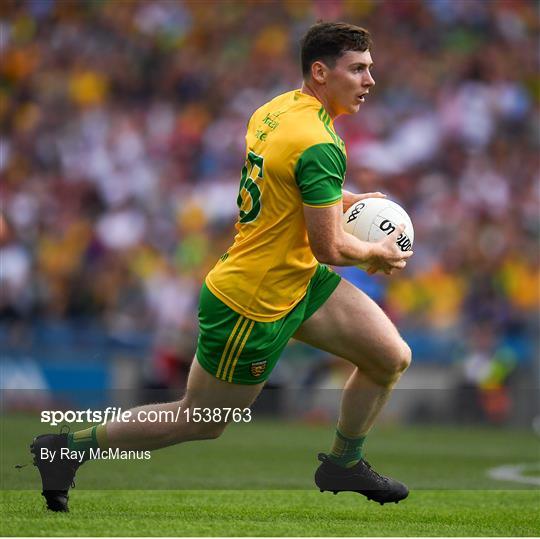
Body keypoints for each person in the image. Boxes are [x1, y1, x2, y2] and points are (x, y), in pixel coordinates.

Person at [32, 21, 413, 512]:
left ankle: (343, 463)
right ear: (321, 72)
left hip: (295, 280)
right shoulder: (318, 143)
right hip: (252, 302)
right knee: (200, 420)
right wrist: (377, 254)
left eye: (370, 69)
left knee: (389, 357)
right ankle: (65, 449)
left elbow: (289, 183)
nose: (369, 80)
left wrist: (349, 198)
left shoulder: (276, 110)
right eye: (358, 69)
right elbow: (332, 249)